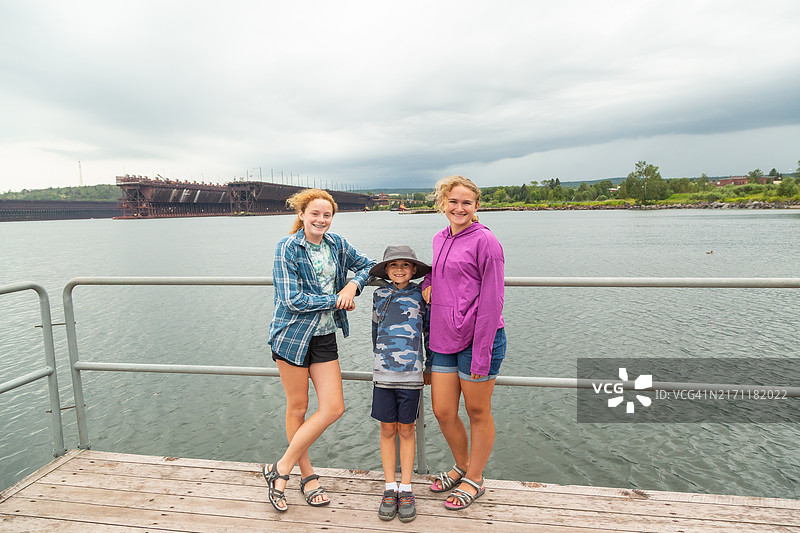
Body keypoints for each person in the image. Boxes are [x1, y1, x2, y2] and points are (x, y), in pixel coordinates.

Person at [263, 188, 376, 512]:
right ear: (301, 215)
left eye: (327, 215)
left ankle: (279, 469)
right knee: (298, 408)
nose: (321, 220)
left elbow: (369, 265)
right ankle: (307, 475)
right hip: (291, 336)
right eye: (315, 213)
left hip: (324, 336)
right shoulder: (287, 247)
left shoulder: (337, 244)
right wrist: (337, 300)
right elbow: (292, 300)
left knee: (333, 408)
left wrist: (353, 285)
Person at [421, 175, 506, 511]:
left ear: (476, 206)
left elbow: (492, 301)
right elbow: (439, 272)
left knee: (476, 410)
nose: (459, 208)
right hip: (444, 338)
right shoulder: (440, 238)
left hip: (479, 340)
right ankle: (462, 464)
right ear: (443, 204)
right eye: (453, 202)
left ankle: (475, 477)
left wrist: (482, 353)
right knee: (442, 410)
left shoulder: (487, 242)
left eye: (466, 202)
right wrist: (427, 282)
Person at [368, 245, 432, 522]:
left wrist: (428, 366)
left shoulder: (421, 295)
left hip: (412, 374)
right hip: (383, 373)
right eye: (394, 266)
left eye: (406, 266)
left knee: (407, 429)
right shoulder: (379, 294)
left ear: (414, 270)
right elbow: (374, 331)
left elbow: (428, 331)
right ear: (386, 270)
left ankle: (406, 487)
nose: (399, 270)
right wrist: (378, 361)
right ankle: (389, 487)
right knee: (386, 429)